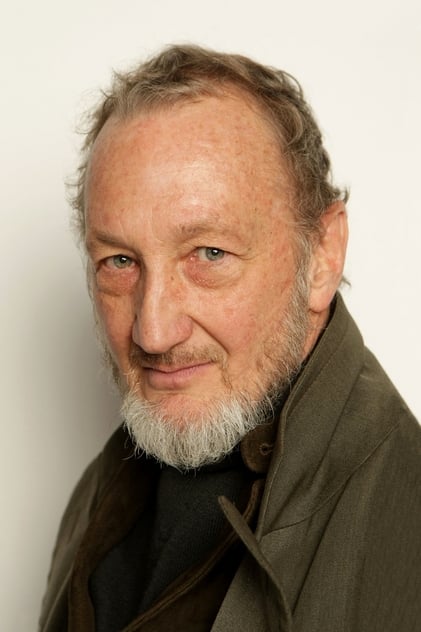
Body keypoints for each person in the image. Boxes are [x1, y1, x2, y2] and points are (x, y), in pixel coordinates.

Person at [39, 44, 421, 632]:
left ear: (321, 257)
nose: (153, 332)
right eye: (120, 262)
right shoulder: (101, 491)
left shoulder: (405, 524)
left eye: (209, 253)